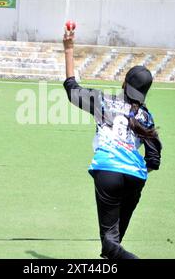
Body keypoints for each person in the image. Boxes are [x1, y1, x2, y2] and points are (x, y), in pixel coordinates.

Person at [62, 31, 162, 259]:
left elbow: (71, 89)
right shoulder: (146, 117)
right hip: (135, 177)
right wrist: (135, 169)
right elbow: (154, 159)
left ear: (124, 83)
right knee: (114, 245)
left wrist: (68, 49)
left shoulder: (103, 101)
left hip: (109, 172)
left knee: (110, 244)